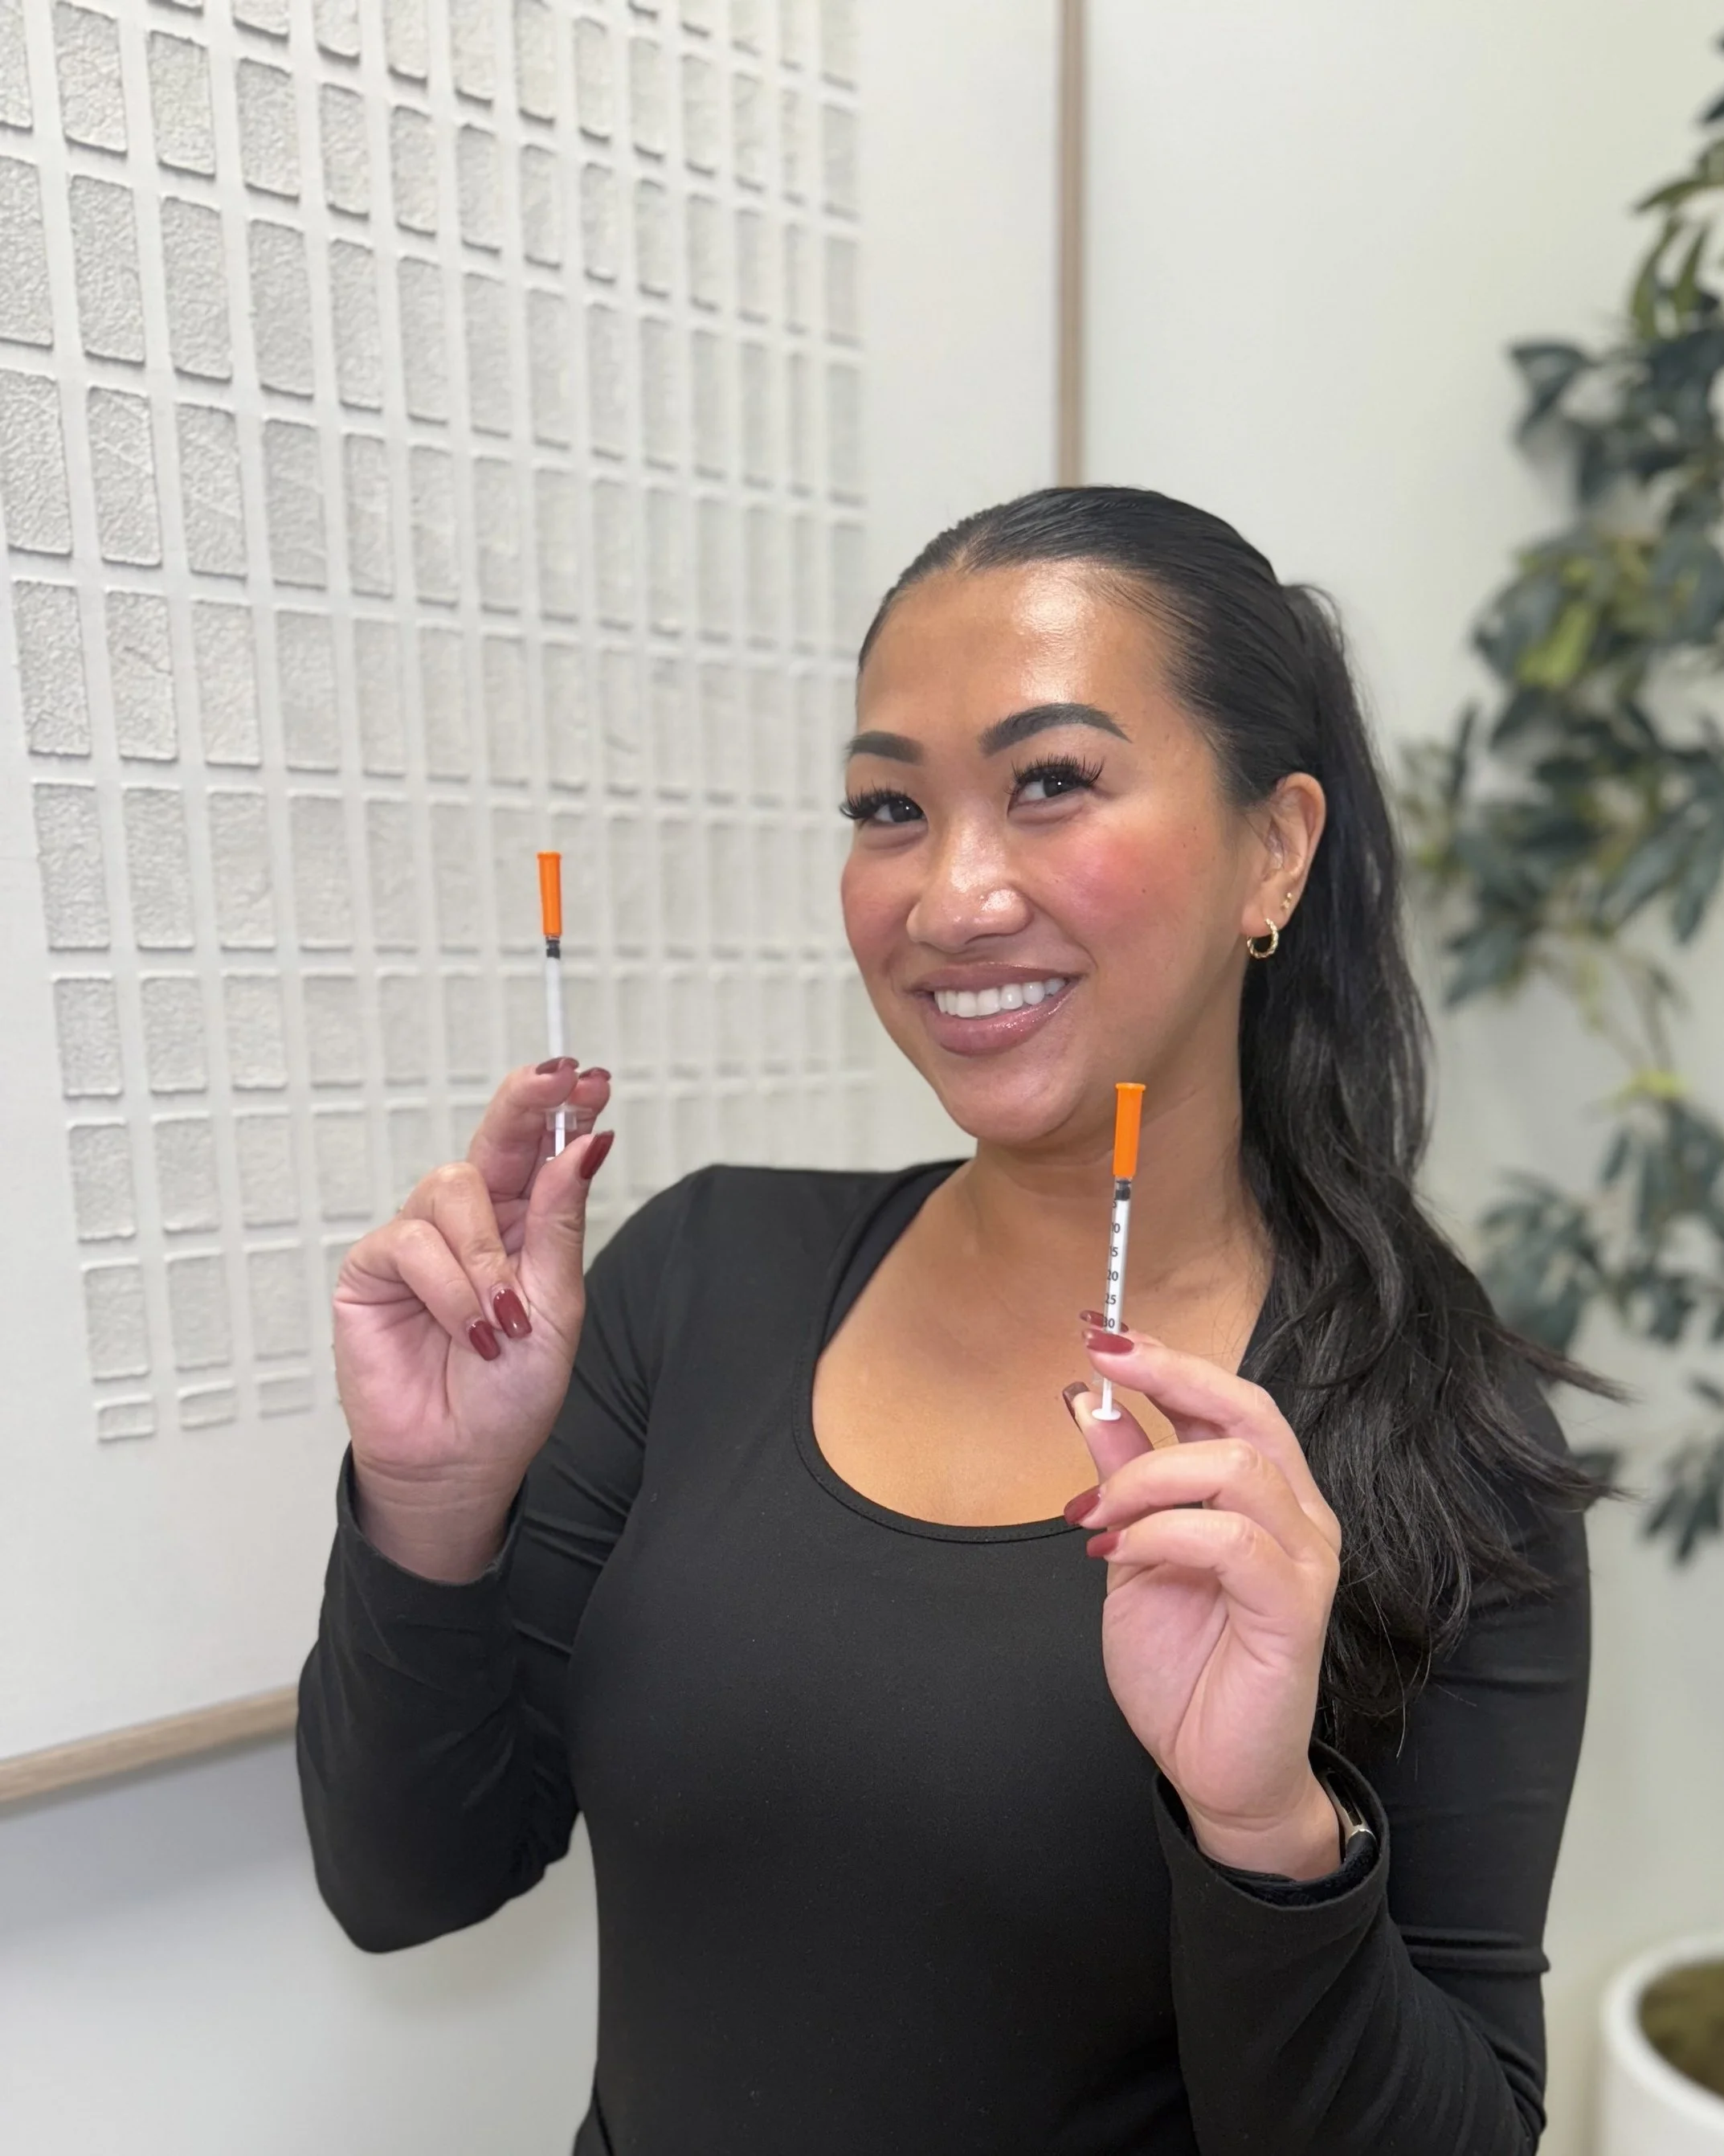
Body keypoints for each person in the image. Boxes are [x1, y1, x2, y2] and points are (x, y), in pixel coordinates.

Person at [298, 486, 1600, 2156]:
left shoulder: (1436, 1443)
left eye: (1049, 783)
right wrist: (428, 1508)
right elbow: (409, 1879)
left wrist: (1265, 1832)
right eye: (888, 807)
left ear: (1273, 848)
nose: (950, 893)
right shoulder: (701, 1277)